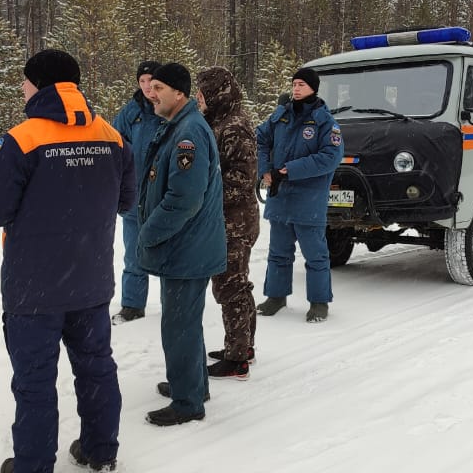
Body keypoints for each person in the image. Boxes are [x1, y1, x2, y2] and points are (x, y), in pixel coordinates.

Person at [0, 49, 135, 473]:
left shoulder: (25, 138)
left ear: (39, 84)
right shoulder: (111, 136)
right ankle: (102, 451)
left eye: (25, 81)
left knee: (35, 382)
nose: (22, 88)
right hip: (91, 279)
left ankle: (33, 465)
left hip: (34, 287)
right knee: (96, 368)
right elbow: (127, 200)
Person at [136, 63, 226, 426]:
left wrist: (148, 233)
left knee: (178, 325)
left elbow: (183, 199)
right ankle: (192, 384)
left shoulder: (187, 132)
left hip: (186, 247)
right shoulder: (179, 126)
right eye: (150, 86)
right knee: (186, 321)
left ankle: (187, 402)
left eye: (158, 87)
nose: (152, 93)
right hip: (189, 246)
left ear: (179, 93)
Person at [256, 67, 344, 323]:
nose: (296, 89)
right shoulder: (280, 115)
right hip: (281, 196)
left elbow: (331, 157)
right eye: (294, 84)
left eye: (301, 85)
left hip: (309, 200)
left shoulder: (325, 122)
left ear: (313, 88)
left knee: (315, 255)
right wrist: (265, 170)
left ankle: (319, 302)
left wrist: (290, 170)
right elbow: (261, 138)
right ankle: (276, 296)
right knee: (278, 252)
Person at [195, 67, 259, 378]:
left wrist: (207, 196)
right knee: (238, 285)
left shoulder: (233, 127)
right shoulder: (219, 121)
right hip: (230, 218)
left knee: (230, 286)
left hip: (234, 221)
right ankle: (243, 344)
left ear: (218, 93)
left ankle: (237, 359)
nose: (199, 99)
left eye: (203, 93)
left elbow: (242, 179)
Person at [109, 60, 163, 324]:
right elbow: (115, 145)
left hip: (164, 197)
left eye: (151, 82)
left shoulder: (170, 109)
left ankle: (174, 305)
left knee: (167, 253)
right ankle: (132, 304)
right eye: (141, 82)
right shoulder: (131, 112)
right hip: (134, 195)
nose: (146, 87)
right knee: (133, 254)